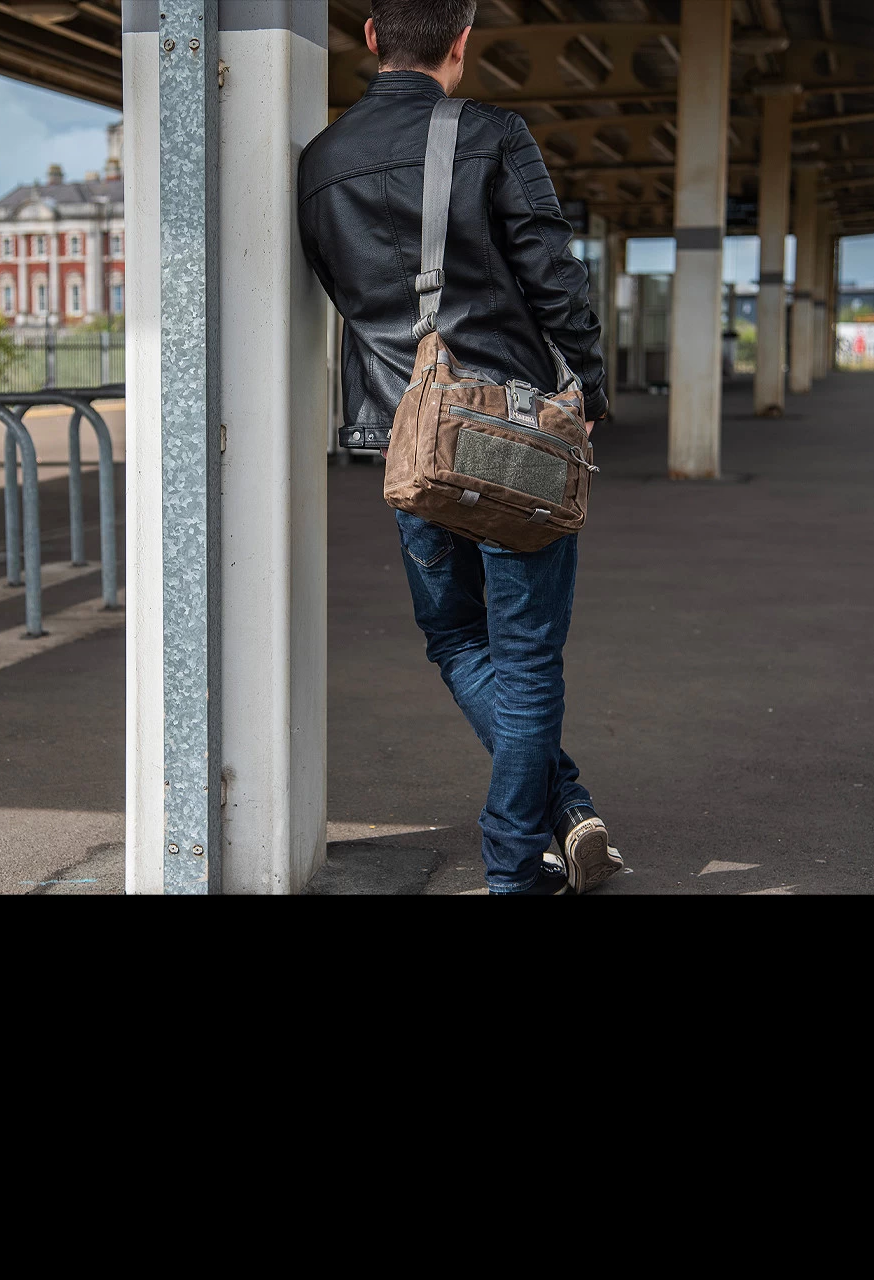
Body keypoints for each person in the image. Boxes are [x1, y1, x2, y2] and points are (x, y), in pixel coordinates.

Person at [298, 0, 623, 895]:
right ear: (463, 42)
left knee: (455, 639)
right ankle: (514, 865)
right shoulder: (492, 134)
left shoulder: (319, 163)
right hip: (513, 434)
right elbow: (555, 277)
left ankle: (565, 808)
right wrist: (590, 391)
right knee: (526, 654)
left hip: (412, 446)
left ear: (371, 36)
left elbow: (345, 296)